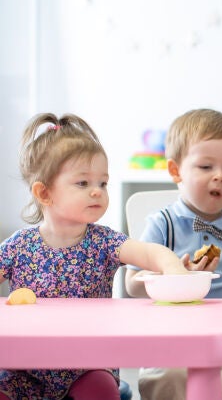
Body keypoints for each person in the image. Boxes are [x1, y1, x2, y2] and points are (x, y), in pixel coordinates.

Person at [0, 113, 188, 400]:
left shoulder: (104, 241)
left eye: (103, 183)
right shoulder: (18, 246)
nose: (97, 192)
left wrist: (173, 268)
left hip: (88, 365)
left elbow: (149, 252)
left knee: (101, 390)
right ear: (44, 193)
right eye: (83, 183)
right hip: (25, 366)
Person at [124, 108, 222, 400]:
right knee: (166, 375)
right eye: (206, 167)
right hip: (172, 333)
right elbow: (132, 284)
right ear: (175, 171)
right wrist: (170, 274)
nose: (219, 176)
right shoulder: (162, 225)